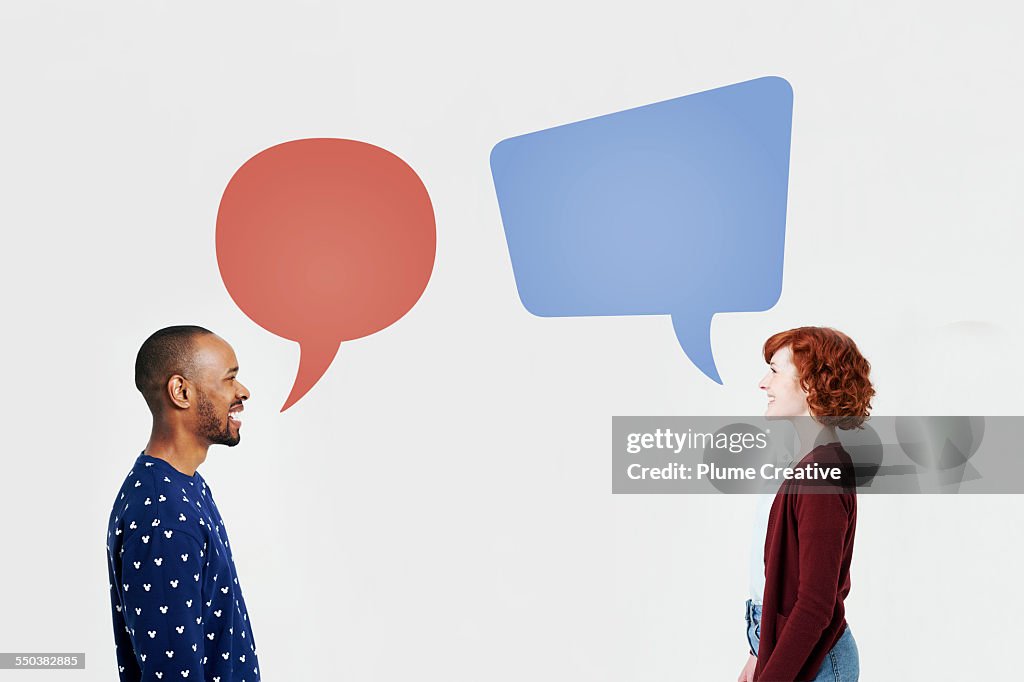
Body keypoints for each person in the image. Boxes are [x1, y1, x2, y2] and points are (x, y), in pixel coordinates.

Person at [106, 325, 260, 681]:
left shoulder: (183, 486)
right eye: (229, 379)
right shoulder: (163, 517)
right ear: (181, 391)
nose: (243, 392)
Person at [737, 327, 874, 682]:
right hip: (788, 649)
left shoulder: (820, 473)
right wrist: (759, 650)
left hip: (813, 663)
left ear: (812, 384)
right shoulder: (809, 463)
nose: (762, 383)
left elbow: (815, 605)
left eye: (775, 371)